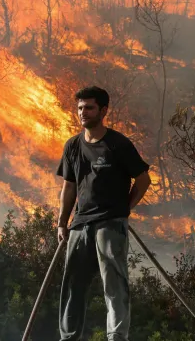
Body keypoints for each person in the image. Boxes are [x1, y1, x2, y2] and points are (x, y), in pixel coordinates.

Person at [56, 86, 152, 341]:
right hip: (80, 225)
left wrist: (124, 210)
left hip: (110, 224)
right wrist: (61, 223)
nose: (83, 113)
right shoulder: (73, 146)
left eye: (89, 107)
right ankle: (69, 337)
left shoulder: (118, 144)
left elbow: (143, 180)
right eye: (79, 108)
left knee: (114, 285)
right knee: (73, 286)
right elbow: (69, 187)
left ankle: (117, 337)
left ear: (103, 111)